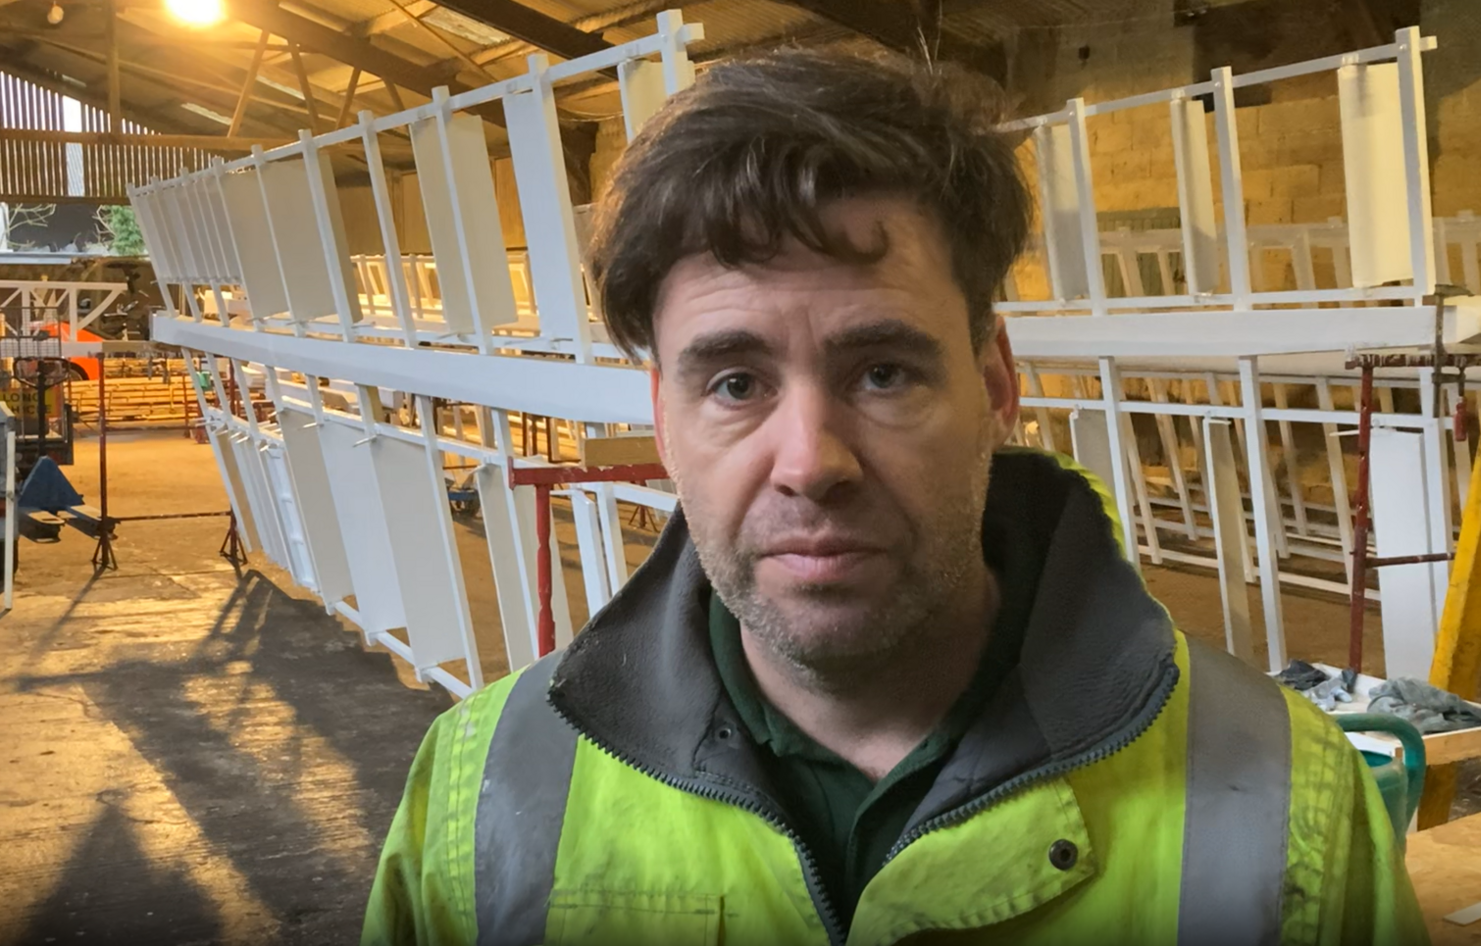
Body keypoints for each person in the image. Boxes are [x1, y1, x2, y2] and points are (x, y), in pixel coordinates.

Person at [364, 49, 1426, 946]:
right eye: (735, 382)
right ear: (665, 416)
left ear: (997, 386)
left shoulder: (1289, 805)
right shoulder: (484, 792)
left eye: (883, 372)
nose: (810, 459)